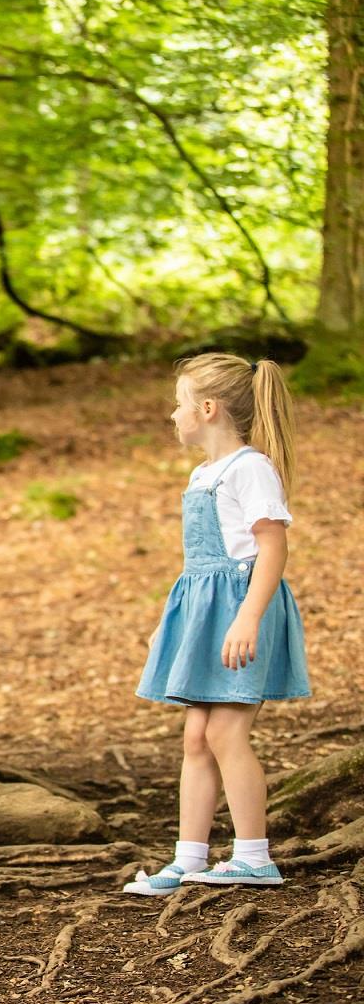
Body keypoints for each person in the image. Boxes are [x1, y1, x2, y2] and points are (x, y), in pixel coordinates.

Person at [123, 354, 308, 895]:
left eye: (178, 405)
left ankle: (254, 856)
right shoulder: (204, 472)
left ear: (206, 409)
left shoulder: (250, 467)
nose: (173, 416)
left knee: (227, 732)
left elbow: (272, 546)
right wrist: (168, 624)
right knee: (197, 738)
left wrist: (248, 616)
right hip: (204, 613)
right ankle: (189, 856)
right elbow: (198, 562)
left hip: (239, 612)